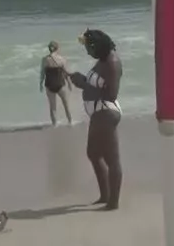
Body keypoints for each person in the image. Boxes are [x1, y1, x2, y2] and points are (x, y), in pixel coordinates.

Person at [69, 29, 123, 210]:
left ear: (97, 46)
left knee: (112, 159)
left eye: (88, 48)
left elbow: (111, 94)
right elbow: (96, 84)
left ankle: (113, 202)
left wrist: (83, 84)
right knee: (94, 154)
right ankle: (105, 195)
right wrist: (82, 79)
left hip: (106, 113)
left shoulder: (112, 62)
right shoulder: (101, 61)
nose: (87, 52)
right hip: (99, 113)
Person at [38, 41, 73, 126]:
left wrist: (40, 84)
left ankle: (55, 125)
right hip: (60, 84)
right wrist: (69, 83)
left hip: (49, 84)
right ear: (57, 48)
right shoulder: (62, 59)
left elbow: (42, 73)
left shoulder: (45, 59)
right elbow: (65, 73)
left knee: (53, 107)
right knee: (66, 105)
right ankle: (70, 122)